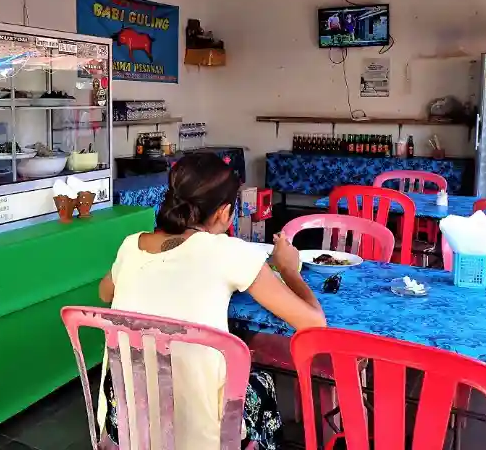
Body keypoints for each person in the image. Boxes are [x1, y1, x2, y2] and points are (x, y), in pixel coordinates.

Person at [98, 152, 326, 450]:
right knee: (262, 383)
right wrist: (288, 269)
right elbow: (314, 322)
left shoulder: (132, 244)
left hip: (126, 418)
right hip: (198, 431)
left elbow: (105, 293)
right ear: (224, 212)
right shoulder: (229, 252)